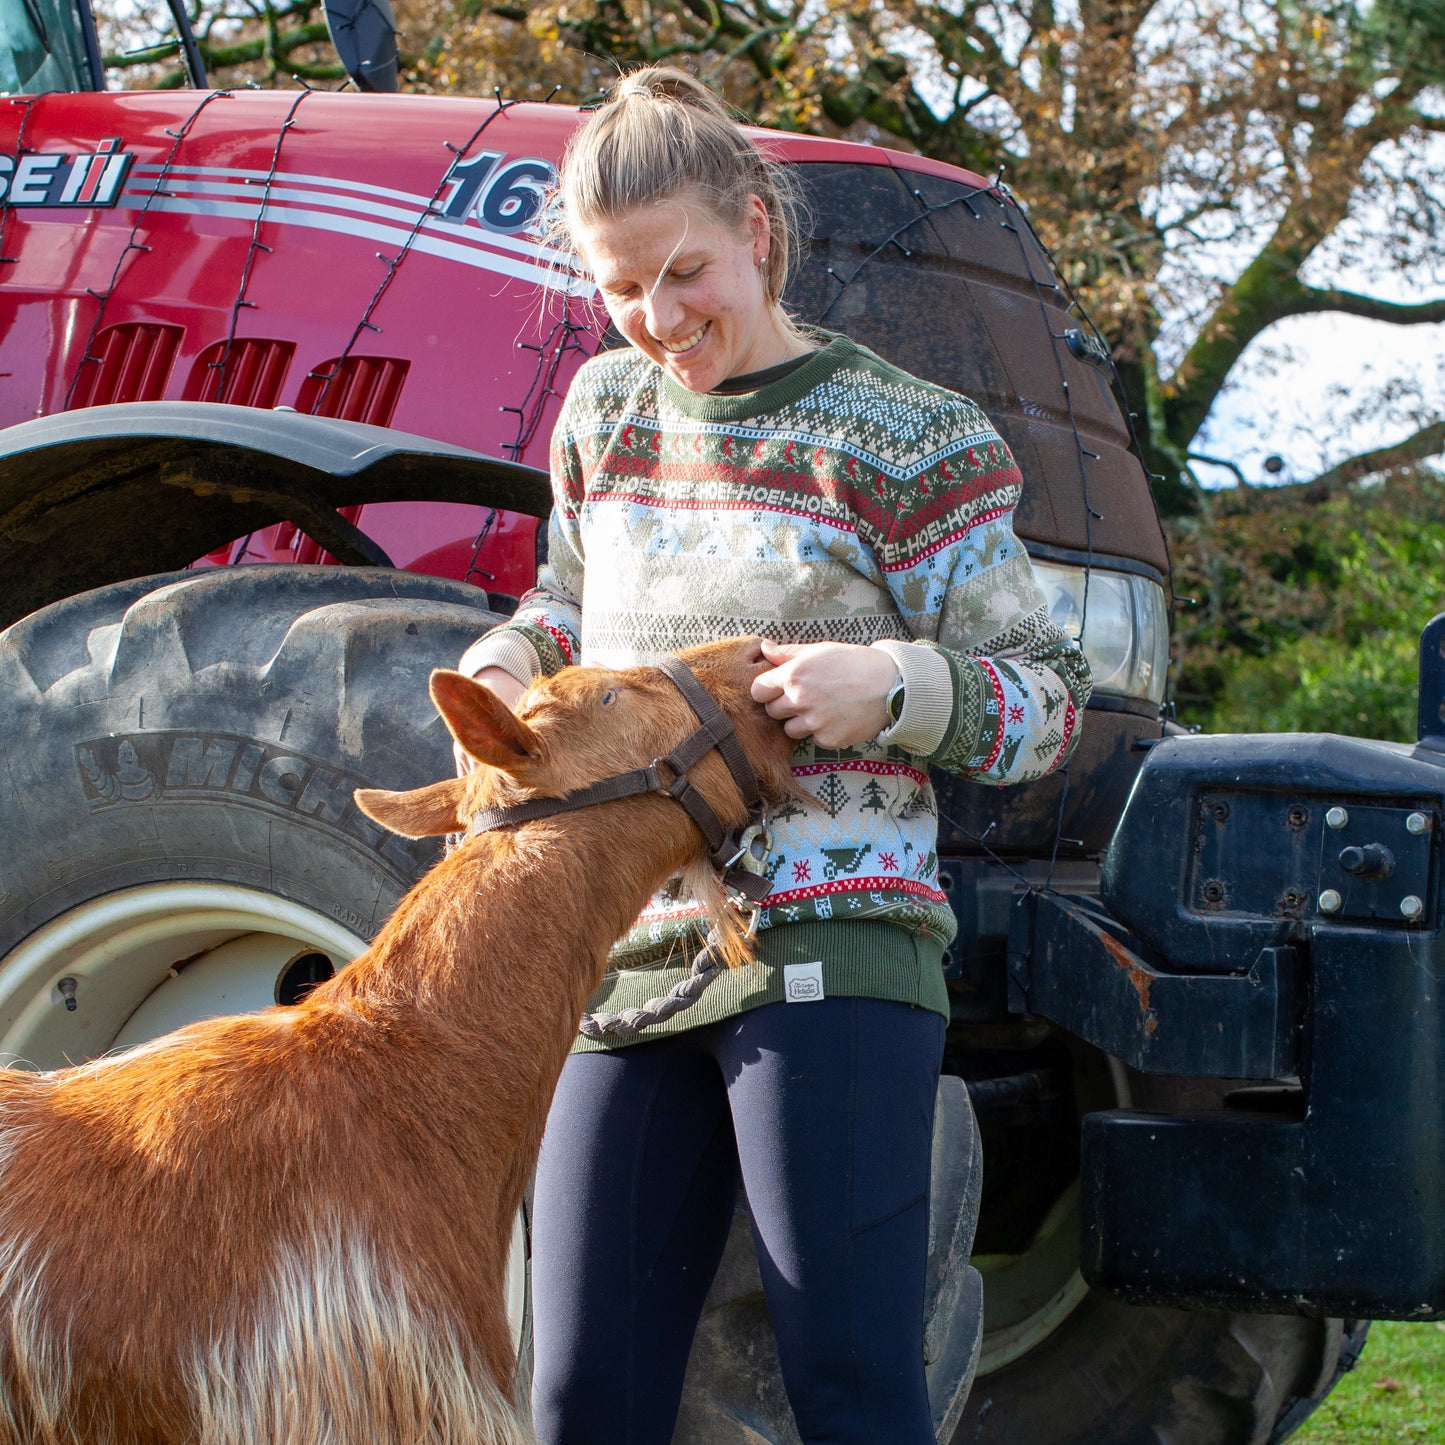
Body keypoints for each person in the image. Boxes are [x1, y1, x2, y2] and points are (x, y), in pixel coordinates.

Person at [454, 65, 1092, 1445]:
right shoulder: (602, 417)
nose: (658, 319)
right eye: (621, 290)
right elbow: (571, 604)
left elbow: (1045, 703)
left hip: (836, 952)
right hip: (628, 958)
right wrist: (515, 657)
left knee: (849, 1384)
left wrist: (895, 685)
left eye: (686, 272)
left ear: (760, 229)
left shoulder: (906, 440)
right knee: (577, 1394)